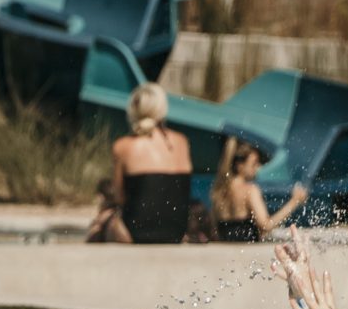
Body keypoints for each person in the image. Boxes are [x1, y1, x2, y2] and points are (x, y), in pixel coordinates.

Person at [111, 83, 193, 245]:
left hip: (135, 233)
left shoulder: (122, 146)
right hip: (176, 232)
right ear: (162, 110)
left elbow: (119, 197)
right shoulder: (182, 142)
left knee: (105, 219)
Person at [210, 128, 308, 242]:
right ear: (239, 165)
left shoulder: (219, 191)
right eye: (254, 163)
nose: (258, 167)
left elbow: (216, 229)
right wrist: (294, 202)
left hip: (226, 250)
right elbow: (266, 225)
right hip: (245, 251)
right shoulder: (250, 190)